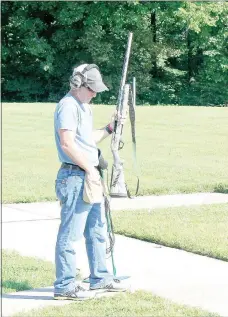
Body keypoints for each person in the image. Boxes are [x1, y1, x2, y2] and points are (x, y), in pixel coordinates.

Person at [53, 63, 127, 300]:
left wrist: (109, 128)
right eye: (91, 88)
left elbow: (87, 140)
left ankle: (100, 278)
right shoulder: (68, 106)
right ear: (77, 84)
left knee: (96, 230)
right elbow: (67, 143)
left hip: (88, 174)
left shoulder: (85, 107)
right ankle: (64, 286)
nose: (95, 93)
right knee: (70, 234)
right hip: (75, 176)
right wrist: (89, 168)